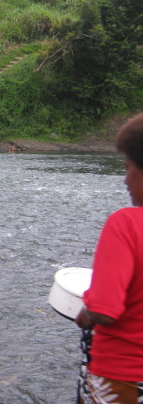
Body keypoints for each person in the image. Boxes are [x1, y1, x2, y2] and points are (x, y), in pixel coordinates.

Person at [74, 113, 143, 404]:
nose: (125, 181)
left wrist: (85, 314)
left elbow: (105, 310)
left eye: (128, 169)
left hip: (122, 377)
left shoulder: (126, 223)